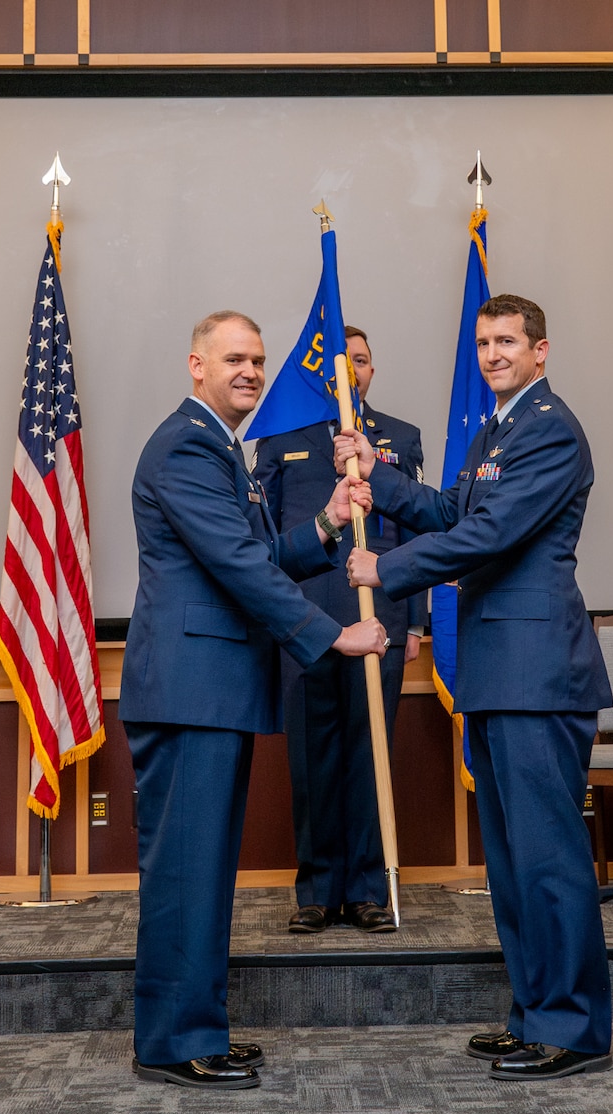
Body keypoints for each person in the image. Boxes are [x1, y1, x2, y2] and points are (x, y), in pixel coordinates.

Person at [338, 294, 613, 1081]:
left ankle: (574, 1028)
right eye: (484, 342)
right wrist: (376, 473)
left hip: (538, 673)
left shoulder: (552, 429)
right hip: (496, 672)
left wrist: (385, 569)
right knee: (512, 861)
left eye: (507, 342)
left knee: (549, 860)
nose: (493, 354)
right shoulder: (496, 430)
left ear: (540, 351)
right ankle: (535, 1013)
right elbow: (455, 507)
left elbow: (491, 535)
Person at [119, 310, 387, 1091]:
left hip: (210, 692)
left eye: (259, 360)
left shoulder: (219, 449)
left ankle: (193, 1026)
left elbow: (259, 553)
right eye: (233, 358)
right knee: (185, 874)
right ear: (195, 365)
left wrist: (329, 523)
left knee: (202, 873)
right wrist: (330, 637)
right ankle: (173, 1040)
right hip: (190, 693)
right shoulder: (186, 445)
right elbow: (238, 565)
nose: (250, 371)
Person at [254, 326, 426, 933]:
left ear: (372, 370)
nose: (353, 371)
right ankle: (317, 889)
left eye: (363, 361)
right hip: (303, 619)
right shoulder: (279, 437)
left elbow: (416, 535)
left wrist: (418, 624)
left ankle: (368, 890)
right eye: (341, 362)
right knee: (312, 755)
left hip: (381, 618)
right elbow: (266, 540)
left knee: (369, 751)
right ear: (321, 373)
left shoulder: (399, 440)